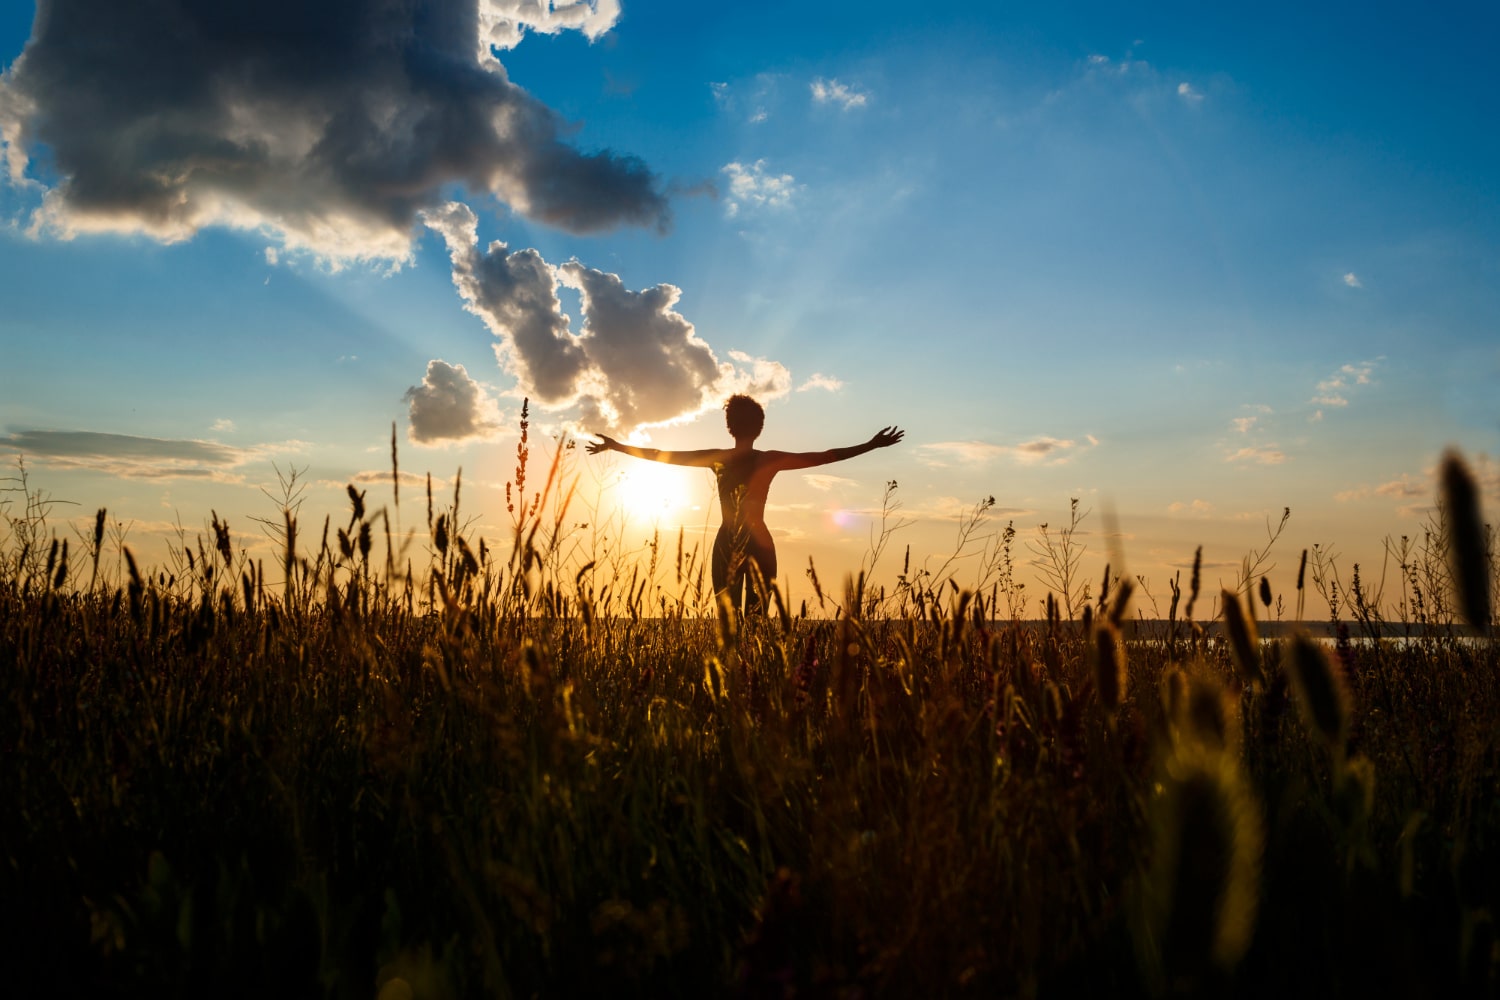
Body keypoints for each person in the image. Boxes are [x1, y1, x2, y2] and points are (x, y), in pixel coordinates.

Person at [588, 395, 904, 614]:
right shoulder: (769, 460)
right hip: (761, 543)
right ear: (760, 428)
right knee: (755, 619)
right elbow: (826, 456)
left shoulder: (718, 459)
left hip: (727, 540)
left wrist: (617, 446)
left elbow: (660, 454)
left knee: (728, 620)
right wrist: (871, 445)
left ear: (730, 427)